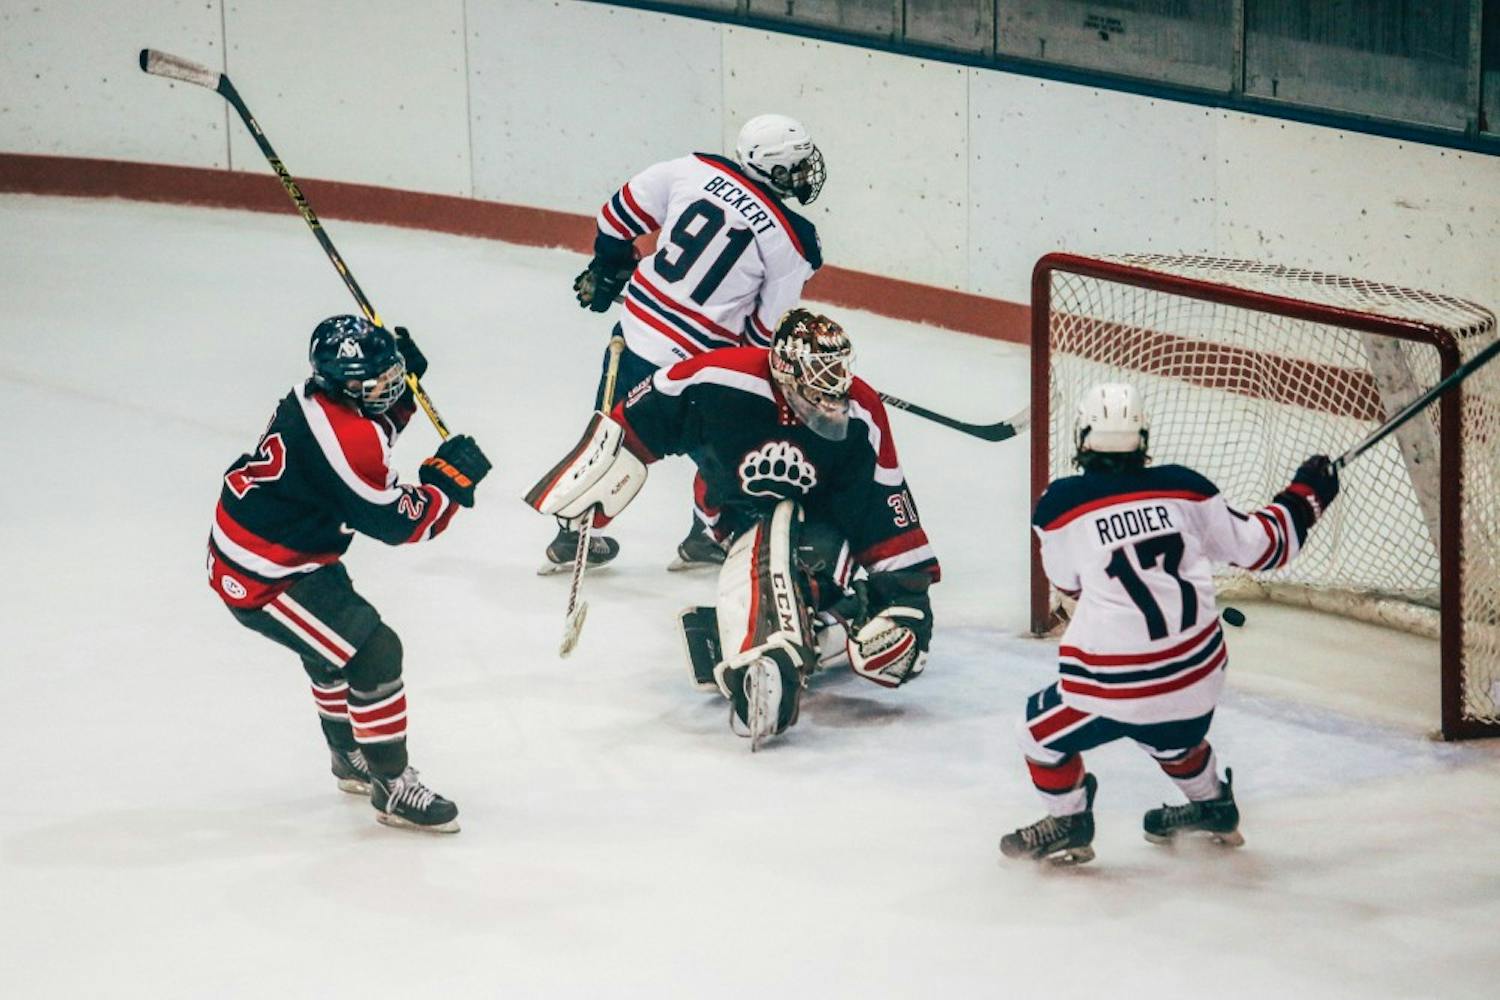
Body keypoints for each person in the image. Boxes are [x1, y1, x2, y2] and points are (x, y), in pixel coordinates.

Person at [527, 309, 938, 749]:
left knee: (800, 552)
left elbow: (882, 502)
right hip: (732, 511)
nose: (829, 396)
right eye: (815, 381)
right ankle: (808, 634)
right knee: (771, 546)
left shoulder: (861, 412)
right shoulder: (720, 380)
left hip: (823, 528)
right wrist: (604, 471)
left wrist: (906, 602)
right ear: (784, 373)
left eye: (835, 375)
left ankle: (793, 642)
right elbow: (643, 418)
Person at [999, 383, 1340, 865]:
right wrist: (1308, 492)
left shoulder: (1060, 505)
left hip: (1121, 687)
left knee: (1035, 732)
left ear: (1082, 437)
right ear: (1143, 438)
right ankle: (1213, 805)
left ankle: (1069, 822)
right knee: (1169, 728)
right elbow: (1265, 547)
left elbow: (1067, 584)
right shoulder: (1186, 487)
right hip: (1200, 679)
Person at [206, 315, 492, 833]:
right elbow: (400, 523)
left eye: (392, 375)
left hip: (281, 548)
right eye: (376, 383)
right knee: (374, 652)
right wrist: (447, 485)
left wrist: (401, 404)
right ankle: (392, 786)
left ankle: (348, 756)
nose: (388, 388)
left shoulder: (312, 398)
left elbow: (367, 436)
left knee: (333, 647)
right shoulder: (344, 440)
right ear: (342, 386)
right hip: (264, 573)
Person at [546, 113, 827, 575]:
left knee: (613, 439)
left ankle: (573, 533)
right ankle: (711, 533)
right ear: (774, 168)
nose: (803, 173)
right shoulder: (794, 242)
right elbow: (764, 333)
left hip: (633, 338)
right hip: (696, 371)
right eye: (796, 165)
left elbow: (615, 217)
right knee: (734, 451)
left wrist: (609, 266)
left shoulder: (691, 169)